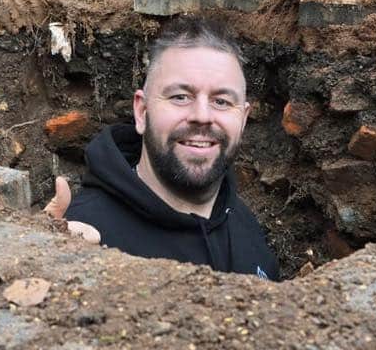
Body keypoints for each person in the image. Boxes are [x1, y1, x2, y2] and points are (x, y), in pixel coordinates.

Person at [46, 16, 279, 279]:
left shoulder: (244, 225)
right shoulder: (84, 238)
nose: (202, 116)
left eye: (222, 101)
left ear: (243, 119)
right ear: (142, 112)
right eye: (180, 97)